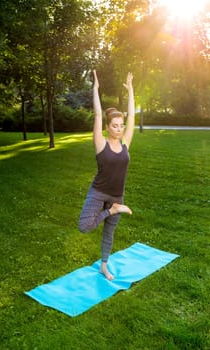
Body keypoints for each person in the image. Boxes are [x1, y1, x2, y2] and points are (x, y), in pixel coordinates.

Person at [78, 70, 135, 280]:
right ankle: (111, 211)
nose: (119, 129)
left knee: (109, 234)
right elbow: (99, 114)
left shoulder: (125, 143)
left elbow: (132, 118)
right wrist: (95, 89)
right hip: (99, 192)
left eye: (121, 126)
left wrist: (130, 90)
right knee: (84, 226)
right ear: (108, 127)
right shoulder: (101, 144)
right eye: (115, 126)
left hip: (117, 195)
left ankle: (104, 265)